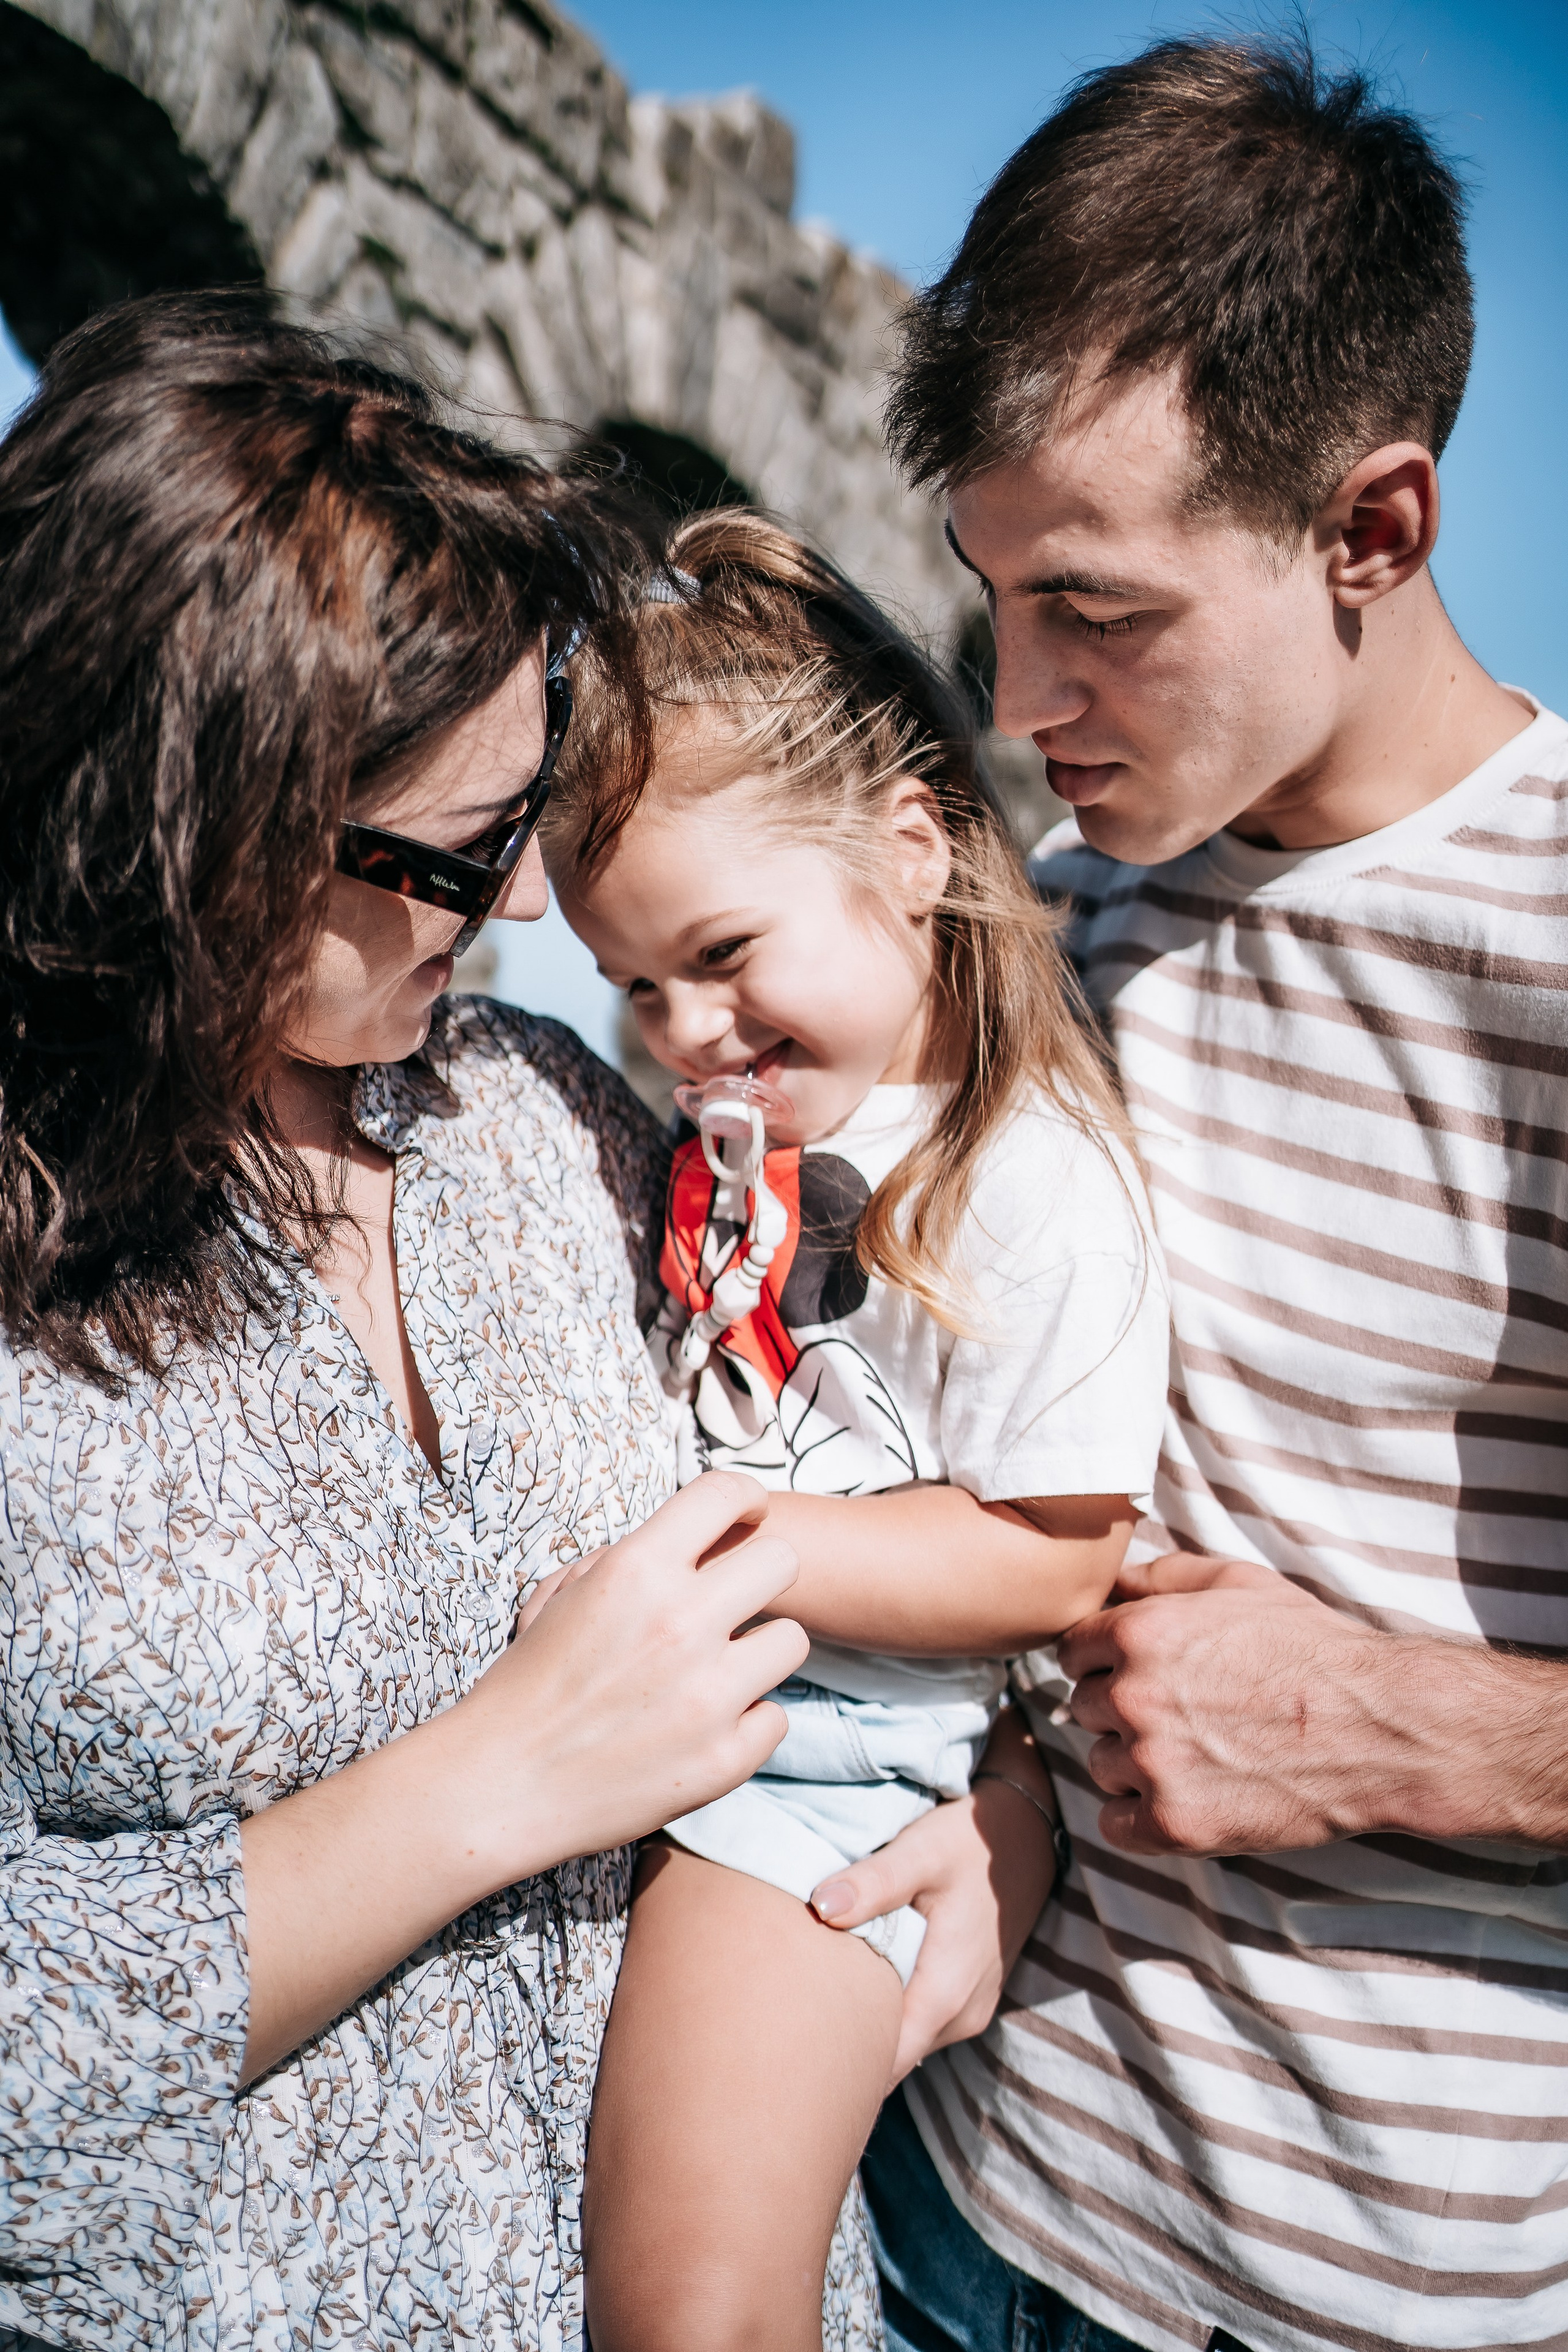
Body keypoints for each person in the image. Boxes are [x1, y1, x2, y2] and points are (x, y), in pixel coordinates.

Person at [0, 292, 899, 2349]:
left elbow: (891, 1479)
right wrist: (491, 1779)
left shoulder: (545, 1110)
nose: (520, 911)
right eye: (462, 845)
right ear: (192, 829)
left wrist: (979, 1861)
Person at [805, 34, 1568, 2352]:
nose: (1021, 689)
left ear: (1375, 529)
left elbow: (1290, 1694)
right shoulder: (1060, 915)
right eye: (995, 594)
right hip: (957, 2209)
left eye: (1101, 611)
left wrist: (1402, 1726)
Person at [540, 510, 1170, 2351]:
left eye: (724, 951)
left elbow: (1065, 1546)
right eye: (636, 983)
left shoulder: (1033, 1178)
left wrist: (752, 1548)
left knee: (691, 2304)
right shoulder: (751, 1144)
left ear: (911, 846)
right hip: (699, 1728)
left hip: (821, 1783)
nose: (683, 1028)